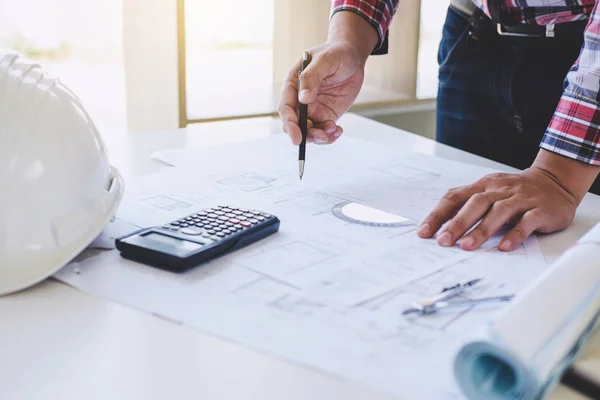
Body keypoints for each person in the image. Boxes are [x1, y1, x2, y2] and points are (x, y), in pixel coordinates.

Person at [278, 0, 600, 252]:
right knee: (464, 231)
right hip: (472, 37)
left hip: (586, 55)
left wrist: (558, 178)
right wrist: (348, 39)